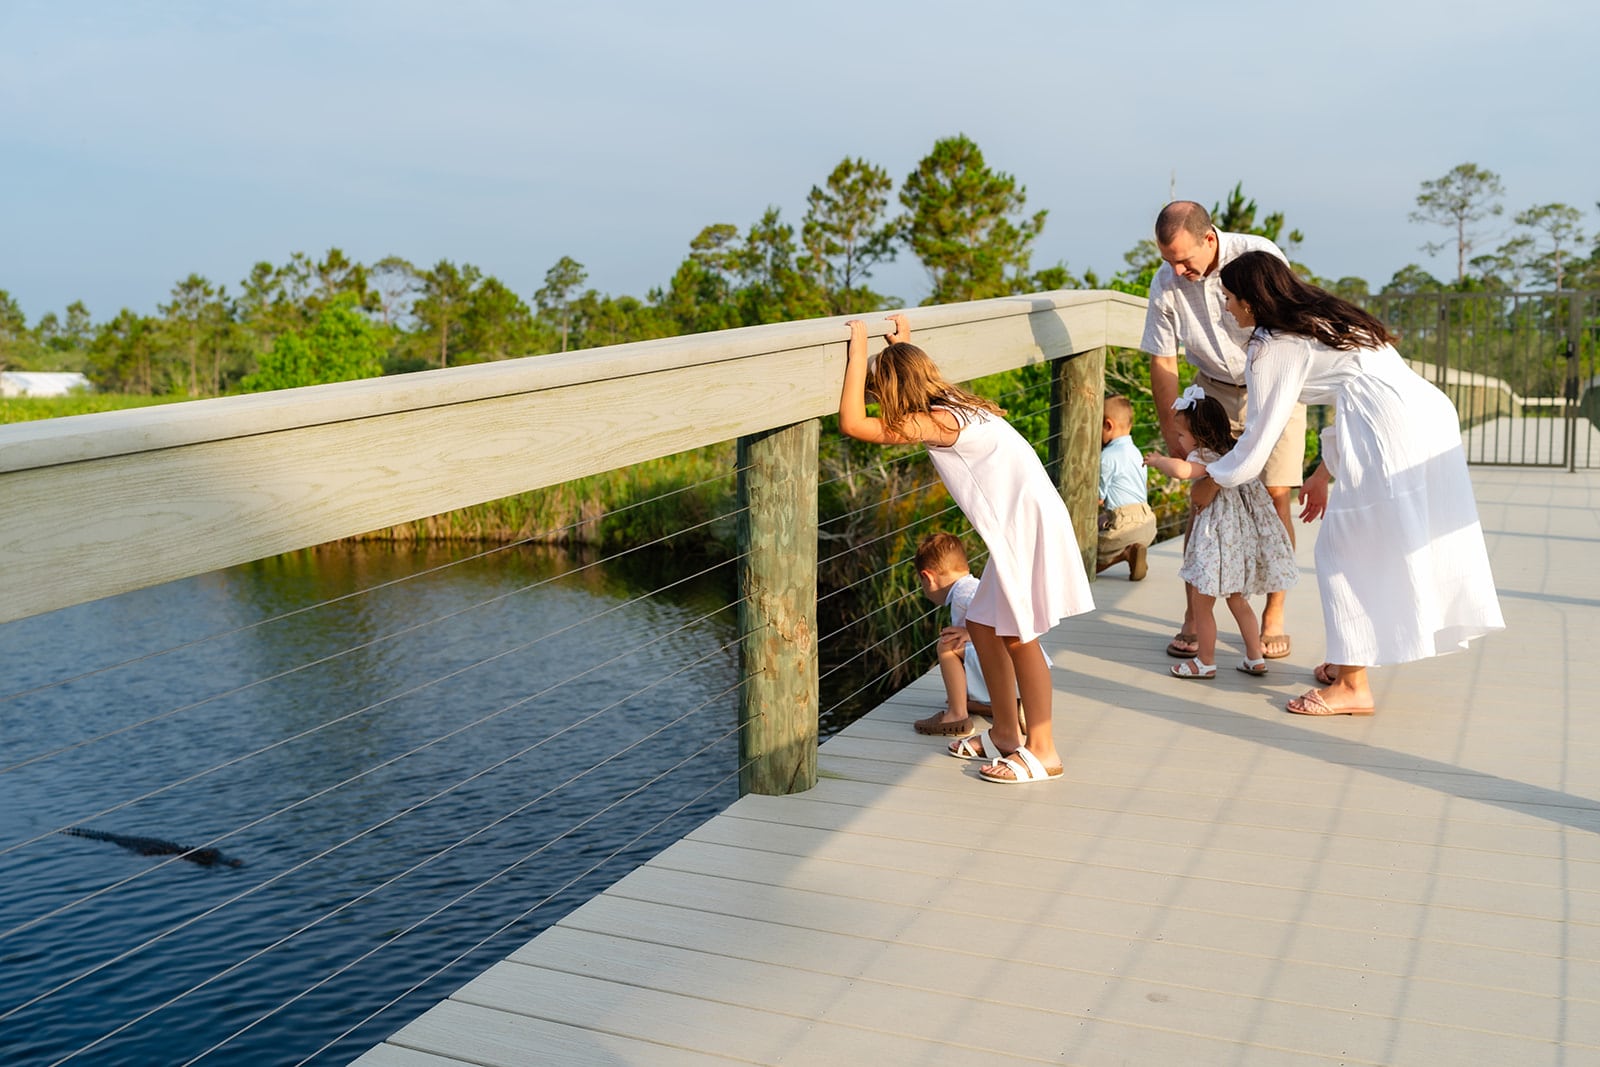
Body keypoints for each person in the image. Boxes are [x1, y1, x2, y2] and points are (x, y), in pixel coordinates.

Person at [1206, 250, 1504, 715]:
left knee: (1343, 550)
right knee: (1373, 541)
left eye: (1228, 298)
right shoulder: (1324, 315)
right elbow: (1356, 388)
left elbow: (1260, 435)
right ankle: (1350, 658)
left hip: (1386, 426)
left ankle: (1352, 685)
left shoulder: (1273, 342)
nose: (1226, 308)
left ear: (1251, 300)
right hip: (1424, 412)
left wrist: (1210, 475)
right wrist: (1324, 473)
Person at [839, 314, 1093, 783]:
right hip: (1027, 520)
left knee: (1020, 637)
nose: (878, 402)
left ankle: (1044, 750)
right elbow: (910, 376)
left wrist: (857, 354)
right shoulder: (955, 403)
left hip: (1022, 528)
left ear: (895, 394)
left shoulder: (935, 422)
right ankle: (1004, 732)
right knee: (981, 623)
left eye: (880, 394)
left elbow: (853, 424)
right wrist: (903, 346)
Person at [1142, 201, 1304, 662]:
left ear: (1209, 239)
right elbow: (1162, 358)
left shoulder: (1258, 255)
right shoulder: (1166, 282)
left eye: (1183, 260)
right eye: (1167, 260)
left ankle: (1274, 611)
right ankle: (1196, 614)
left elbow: (1287, 330)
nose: (1176, 270)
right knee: (1203, 499)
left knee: (1274, 496)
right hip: (1212, 391)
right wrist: (1173, 428)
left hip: (1274, 383)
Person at [1144, 387, 1298, 678]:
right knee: (1238, 602)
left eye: (1181, 436)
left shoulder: (1206, 457)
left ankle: (1205, 661)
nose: (1179, 442)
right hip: (1236, 546)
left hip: (1216, 545)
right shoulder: (1233, 456)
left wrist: (1159, 461)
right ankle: (1254, 657)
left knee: (1202, 604)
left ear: (1199, 436)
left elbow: (1181, 471)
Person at [909, 532, 995, 736]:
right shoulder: (973, 585)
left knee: (947, 645)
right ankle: (992, 707)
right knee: (960, 647)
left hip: (1002, 666)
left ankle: (957, 716)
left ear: (927, 577)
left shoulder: (964, 593)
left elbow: (997, 613)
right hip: (1011, 670)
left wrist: (971, 633)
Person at [1096, 395, 1156, 580]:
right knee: (1103, 523)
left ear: (1108, 425)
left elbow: (1097, 498)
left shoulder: (1107, 457)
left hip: (1125, 526)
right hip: (1148, 524)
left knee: (1082, 558)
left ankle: (1125, 554)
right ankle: (1134, 550)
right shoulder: (1136, 452)